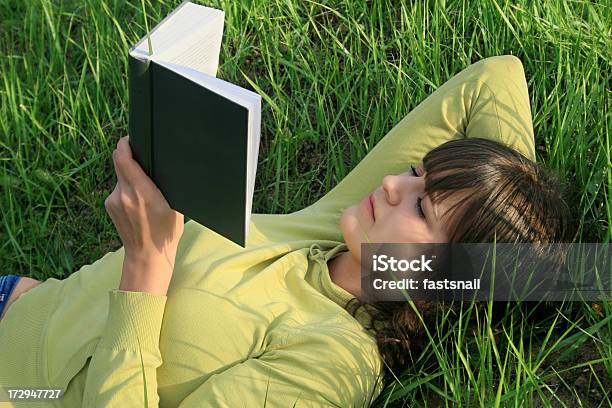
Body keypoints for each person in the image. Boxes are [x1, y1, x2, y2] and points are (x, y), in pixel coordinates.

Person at [0, 55, 571, 407]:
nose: (397, 185)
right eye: (419, 172)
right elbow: (495, 78)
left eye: (424, 209)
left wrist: (145, 268)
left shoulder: (331, 364)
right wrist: (516, 229)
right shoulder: (338, 230)